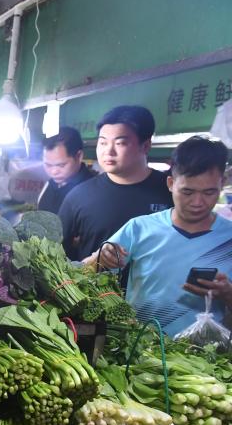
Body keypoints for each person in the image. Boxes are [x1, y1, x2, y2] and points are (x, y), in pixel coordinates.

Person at [83, 136, 232, 336]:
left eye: (209, 193)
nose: (198, 202)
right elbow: (87, 270)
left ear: (222, 184)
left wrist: (228, 294)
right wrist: (99, 259)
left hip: (205, 357)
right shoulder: (139, 228)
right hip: (138, 351)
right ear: (171, 183)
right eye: (187, 192)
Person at [57, 106, 172, 260]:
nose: (108, 151)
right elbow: (55, 250)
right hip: (92, 284)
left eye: (120, 143)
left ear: (145, 146)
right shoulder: (79, 196)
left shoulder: (170, 191)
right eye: (103, 143)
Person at [37, 126, 95, 213]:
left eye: (61, 165)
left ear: (79, 156)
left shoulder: (92, 192)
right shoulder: (50, 184)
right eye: (48, 165)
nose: (54, 172)